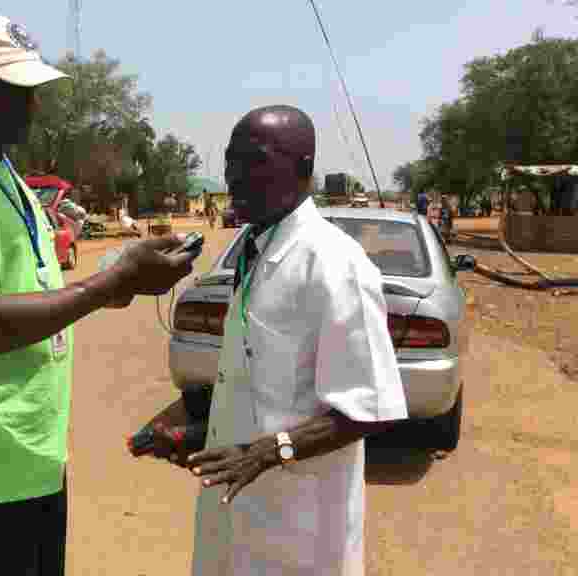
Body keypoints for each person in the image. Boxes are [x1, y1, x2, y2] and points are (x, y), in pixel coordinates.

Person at [0, 13, 196, 576]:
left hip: (28, 454)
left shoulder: (1, 170)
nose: (31, 105)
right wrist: (108, 285)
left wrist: (123, 276)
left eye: (32, 89)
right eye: (14, 89)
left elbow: (39, 289)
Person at [145, 105, 407, 575]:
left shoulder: (333, 264)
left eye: (255, 161)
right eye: (230, 161)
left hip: (300, 526)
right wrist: (191, 426)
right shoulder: (252, 250)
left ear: (303, 168)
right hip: (237, 511)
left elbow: (372, 407)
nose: (235, 176)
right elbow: (265, 380)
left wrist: (268, 452)